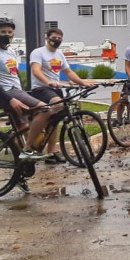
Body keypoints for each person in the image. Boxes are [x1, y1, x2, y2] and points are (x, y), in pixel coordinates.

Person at [0, 18, 53, 161]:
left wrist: (23, 93)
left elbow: (14, 76)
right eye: (3, 32)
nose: (7, 35)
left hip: (16, 90)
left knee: (25, 123)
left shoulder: (11, 52)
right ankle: (27, 150)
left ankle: (21, 151)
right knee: (44, 109)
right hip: (4, 93)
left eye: (10, 32)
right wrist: (11, 100)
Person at [29, 27, 96, 163]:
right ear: (47, 38)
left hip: (55, 89)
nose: (57, 40)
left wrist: (83, 83)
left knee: (55, 122)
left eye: (59, 38)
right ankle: (34, 140)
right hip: (41, 89)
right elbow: (36, 71)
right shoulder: (38, 52)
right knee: (58, 106)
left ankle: (51, 154)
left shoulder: (59, 55)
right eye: (54, 38)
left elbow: (69, 72)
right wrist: (48, 82)